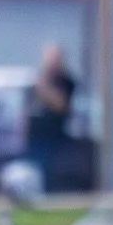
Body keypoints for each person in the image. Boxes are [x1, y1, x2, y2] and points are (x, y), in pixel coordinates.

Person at [25, 43, 77, 192]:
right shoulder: (37, 81)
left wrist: (44, 89)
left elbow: (61, 104)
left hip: (54, 136)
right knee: (33, 168)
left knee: (48, 168)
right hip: (35, 136)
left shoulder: (66, 82)